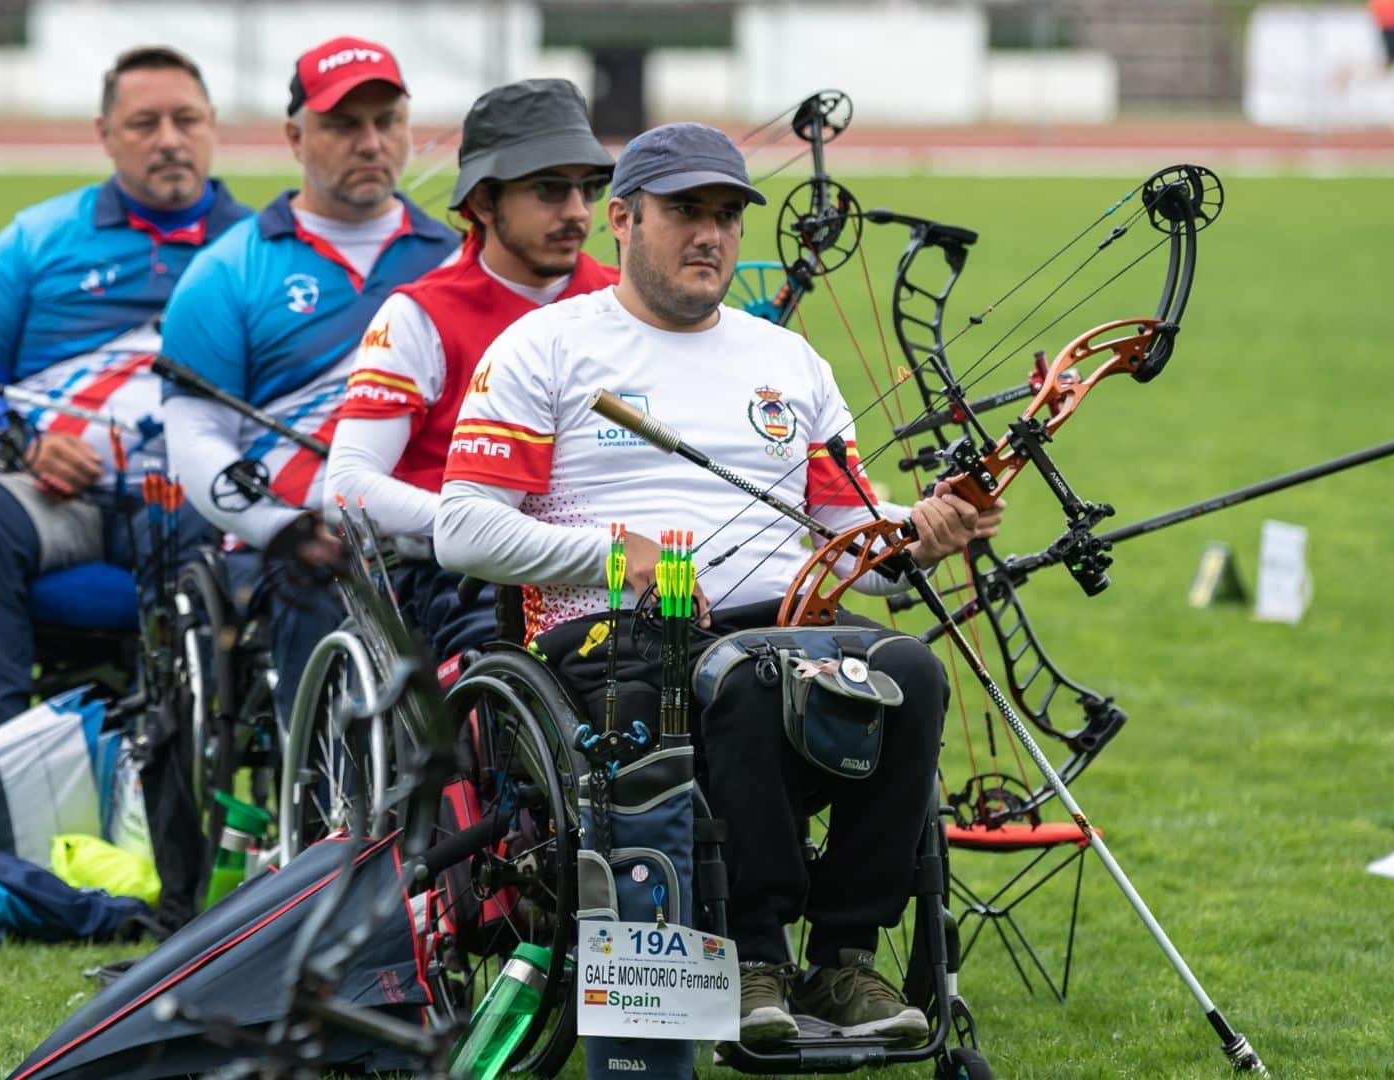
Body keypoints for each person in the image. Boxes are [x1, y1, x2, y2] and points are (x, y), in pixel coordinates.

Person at [434, 123, 1003, 1044]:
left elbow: (845, 524)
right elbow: (461, 528)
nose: (711, 235)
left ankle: (844, 963)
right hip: (613, 638)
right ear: (621, 218)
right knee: (741, 681)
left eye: (728, 216)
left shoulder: (786, 361)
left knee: (912, 669)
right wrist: (624, 555)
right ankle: (754, 960)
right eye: (686, 212)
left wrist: (921, 532)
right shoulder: (544, 348)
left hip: (791, 625)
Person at [0, 45, 250, 752]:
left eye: (186, 119)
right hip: (59, 503)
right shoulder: (35, 241)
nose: (169, 139)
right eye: (144, 123)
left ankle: (199, 773)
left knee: (227, 514)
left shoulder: (258, 250)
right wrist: (21, 445)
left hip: (192, 505)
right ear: (104, 133)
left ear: (213, 125)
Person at [160, 37, 458, 719]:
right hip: (292, 550)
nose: (371, 143)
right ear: (295, 137)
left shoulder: (454, 262)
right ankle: (334, 815)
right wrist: (282, 525)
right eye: (343, 125)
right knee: (316, 578)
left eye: (388, 123)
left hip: (433, 539)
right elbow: (197, 436)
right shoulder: (227, 270)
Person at [323, 78, 616, 662]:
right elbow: (347, 487)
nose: (579, 212)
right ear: (483, 202)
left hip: (614, 571)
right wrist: (478, 528)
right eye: (550, 189)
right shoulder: (419, 316)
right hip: (472, 581)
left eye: (589, 188)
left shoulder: (622, 301)